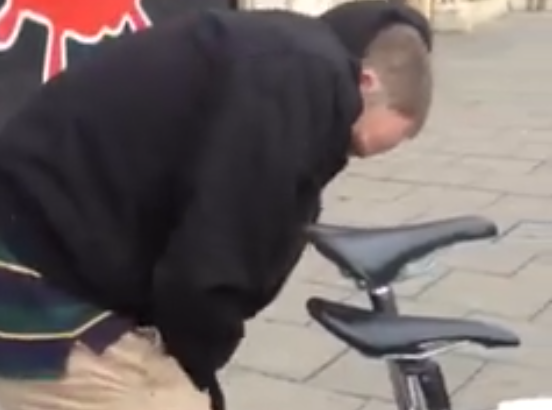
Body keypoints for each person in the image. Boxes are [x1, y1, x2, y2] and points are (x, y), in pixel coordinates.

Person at [0, 1, 432, 410]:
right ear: (367, 82)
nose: (342, 157)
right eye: (352, 145)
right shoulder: (298, 81)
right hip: (33, 273)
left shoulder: (278, 54)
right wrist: (196, 368)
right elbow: (213, 265)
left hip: (64, 243)